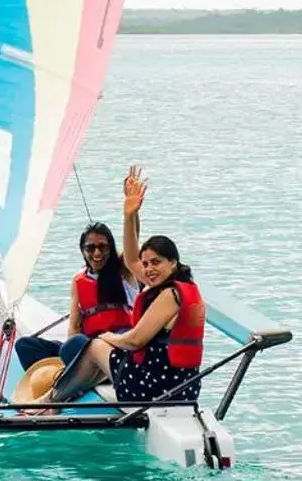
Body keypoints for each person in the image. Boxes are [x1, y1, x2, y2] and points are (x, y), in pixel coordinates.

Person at [13, 165, 147, 397]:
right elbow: (75, 325)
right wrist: (70, 353)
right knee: (26, 345)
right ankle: (74, 374)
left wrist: (132, 213)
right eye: (91, 248)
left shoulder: (124, 271)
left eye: (103, 247)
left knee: (77, 346)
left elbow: (133, 244)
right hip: (84, 346)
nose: (97, 253)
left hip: (115, 346)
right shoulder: (78, 281)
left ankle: (76, 379)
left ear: (111, 247)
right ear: (82, 251)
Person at [38, 233, 206, 406]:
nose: (149, 269)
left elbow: (135, 341)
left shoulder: (170, 295)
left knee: (95, 346)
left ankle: (50, 401)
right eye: (146, 264)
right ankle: (64, 394)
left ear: (173, 262)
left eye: (156, 262)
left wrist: (108, 337)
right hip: (184, 388)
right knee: (94, 347)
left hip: (153, 389)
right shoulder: (188, 289)